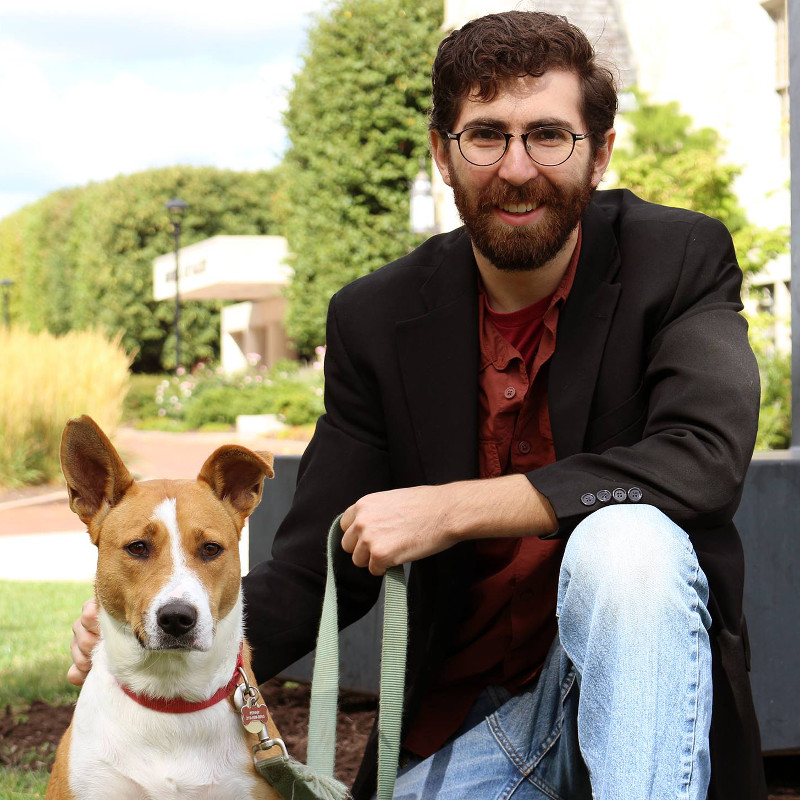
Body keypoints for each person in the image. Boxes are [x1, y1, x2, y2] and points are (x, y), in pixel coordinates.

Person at [69, 10, 766, 800]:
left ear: (599, 152)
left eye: (548, 135)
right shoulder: (376, 317)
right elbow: (315, 569)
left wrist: (453, 509)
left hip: (641, 709)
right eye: (485, 135)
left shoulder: (678, 258)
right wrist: (161, 610)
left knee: (626, 541)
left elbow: (702, 460)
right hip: (472, 722)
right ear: (442, 152)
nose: (515, 167)